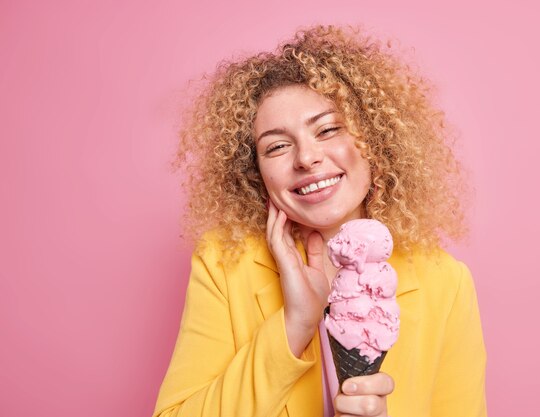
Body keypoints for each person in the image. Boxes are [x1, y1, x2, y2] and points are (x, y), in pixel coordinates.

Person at [153, 25, 487, 417]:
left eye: (327, 130)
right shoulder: (224, 265)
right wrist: (294, 324)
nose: (306, 158)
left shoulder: (445, 283)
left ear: (375, 141)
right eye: (277, 146)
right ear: (255, 173)